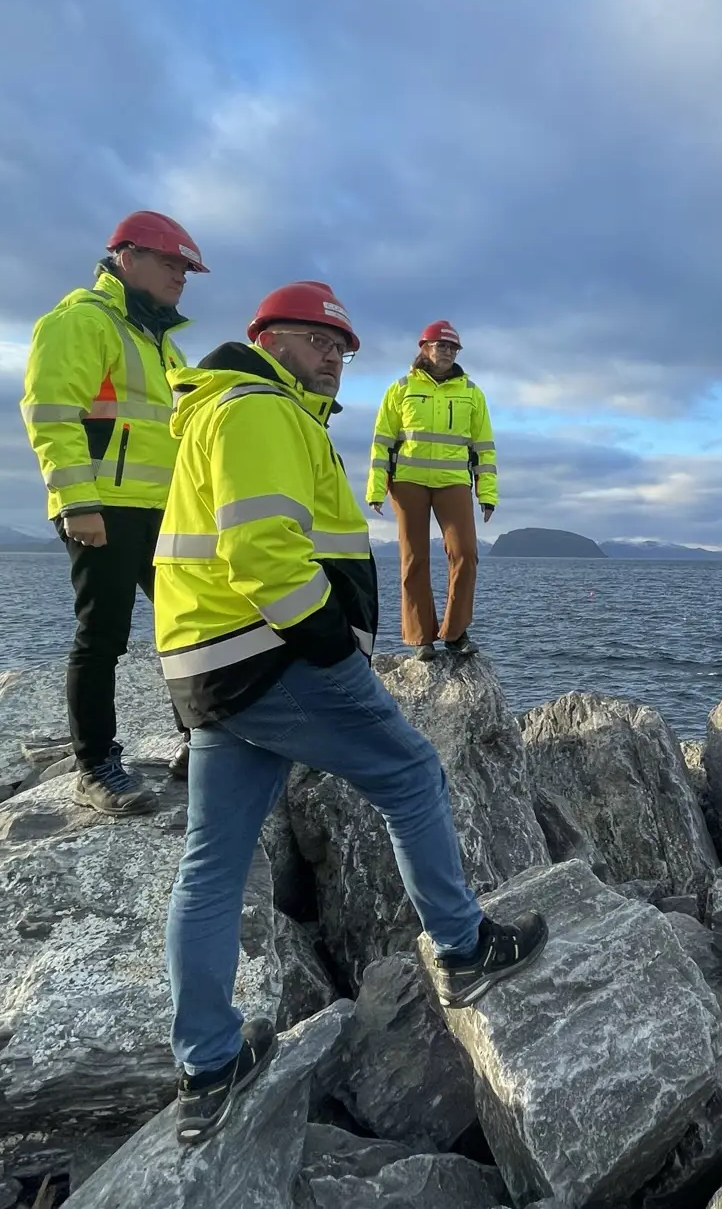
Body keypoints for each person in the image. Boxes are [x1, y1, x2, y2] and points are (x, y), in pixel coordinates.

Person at [155, 283, 547, 1146]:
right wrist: (329, 641)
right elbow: (260, 546)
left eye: (342, 344)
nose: (333, 354)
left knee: (213, 861)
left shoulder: (234, 409)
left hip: (210, 665)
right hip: (274, 654)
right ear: (267, 338)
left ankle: (208, 1065)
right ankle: (461, 948)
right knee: (411, 774)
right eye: (315, 338)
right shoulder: (258, 410)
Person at [21, 210, 205, 815]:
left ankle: (199, 743)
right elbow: (51, 414)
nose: (182, 276)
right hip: (102, 508)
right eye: (172, 263)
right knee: (103, 637)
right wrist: (78, 503)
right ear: (128, 258)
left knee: (192, 626)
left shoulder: (160, 340)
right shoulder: (82, 321)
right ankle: (95, 765)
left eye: (187, 268)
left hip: (162, 510)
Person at [366, 321, 499, 659]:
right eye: (441, 345)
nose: (448, 352)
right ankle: (421, 638)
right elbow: (382, 441)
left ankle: (455, 633)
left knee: (465, 552)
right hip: (407, 482)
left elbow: (483, 447)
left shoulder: (471, 392)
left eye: (453, 347)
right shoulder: (401, 388)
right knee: (413, 558)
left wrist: (487, 494)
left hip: (453, 483)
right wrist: (376, 488)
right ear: (424, 347)